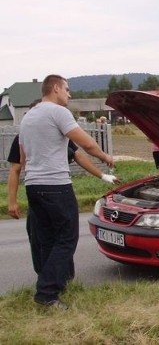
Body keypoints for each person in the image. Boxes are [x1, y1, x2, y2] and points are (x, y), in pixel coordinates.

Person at [19, 74, 116, 309]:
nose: (69, 94)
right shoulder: (58, 112)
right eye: (67, 89)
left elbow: (22, 158)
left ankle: (53, 283)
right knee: (66, 239)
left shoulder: (28, 117)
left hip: (33, 186)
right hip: (56, 187)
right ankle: (47, 293)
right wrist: (105, 157)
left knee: (48, 239)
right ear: (55, 88)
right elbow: (87, 143)